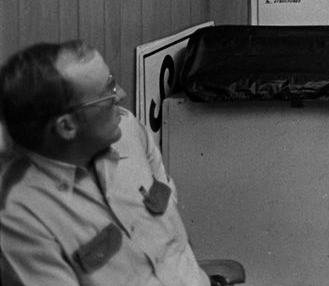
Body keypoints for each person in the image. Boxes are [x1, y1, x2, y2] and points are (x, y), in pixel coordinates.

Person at [0, 41, 211, 286]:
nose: (121, 94)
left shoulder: (128, 131)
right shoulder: (19, 216)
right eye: (107, 92)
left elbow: (177, 238)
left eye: (112, 81)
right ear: (67, 126)